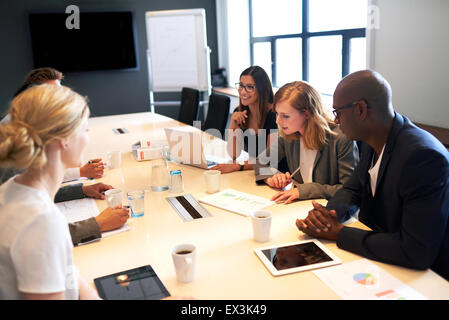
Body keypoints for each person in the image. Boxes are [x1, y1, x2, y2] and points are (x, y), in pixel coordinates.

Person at [296, 70, 449, 281]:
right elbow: (352, 189)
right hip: (380, 259)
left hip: (423, 277)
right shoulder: (374, 138)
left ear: (360, 109)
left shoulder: (422, 157)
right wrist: (326, 218)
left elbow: (417, 250)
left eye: (338, 112)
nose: (336, 120)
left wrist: (339, 233)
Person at [0, 84, 105, 299]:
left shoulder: (12, 188)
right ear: (64, 139)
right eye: (85, 129)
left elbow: (68, 274)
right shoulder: (41, 222)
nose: (88, 137)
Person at [255, 81, 358, 203]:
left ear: (306, 113)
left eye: (285, 116)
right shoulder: (288, 134)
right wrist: (272, 177)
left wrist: (305, 190)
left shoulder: (341, 138)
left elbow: (349, 191)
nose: (277, 121)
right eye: (277, 114)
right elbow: (261, 162)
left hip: (330, 210)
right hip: (300, 206)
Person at [1, 67, 106, 180]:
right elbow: (31, 182)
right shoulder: (16, 128)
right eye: (52, 93)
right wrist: (81, 172)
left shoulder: (38, 119)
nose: (59, 99)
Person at [210, 66, 279, 173]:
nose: (243, 92)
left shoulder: (273, 115)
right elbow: (233, 154)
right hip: (254, 171)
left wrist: (238, 166)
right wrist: (233, 123)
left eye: (250, 87)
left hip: (275, 174)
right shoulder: (240, 112)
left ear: (262, 89)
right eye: (241, 86)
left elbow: (268, 160)